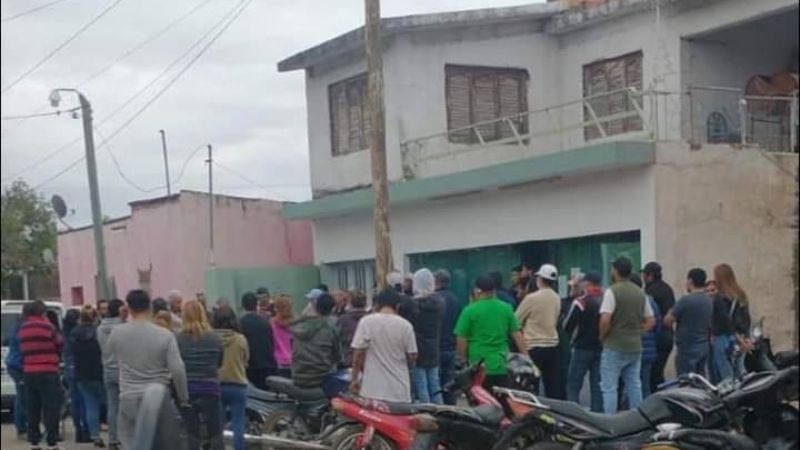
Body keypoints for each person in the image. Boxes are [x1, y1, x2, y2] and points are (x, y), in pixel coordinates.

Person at [107, 289, 189, 449]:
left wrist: (121, 319)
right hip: (157, 397)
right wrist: (183, 397)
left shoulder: (117, 333)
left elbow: (109, 356)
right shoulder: (165, 335)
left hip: (128, 396)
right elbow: (177, 369)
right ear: (150, 307)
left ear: (128, 308)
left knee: (131, 442)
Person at [599, 257, 655, 414]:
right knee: (634, 385)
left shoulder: (612, 291)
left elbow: (605, 319)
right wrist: (637, 332)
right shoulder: (640, 293)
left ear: (615, 271)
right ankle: (638, 418)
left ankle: (610, 421)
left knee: (609, 387)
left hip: (614, 345)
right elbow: (651, 321)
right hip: (635, 346)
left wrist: (602, 336)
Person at [455, 275, 528, 391]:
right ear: (494, 290)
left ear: (477, 290)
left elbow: (461, 338)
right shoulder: (506, 308)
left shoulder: (469, 311)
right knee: (503, 398)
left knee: (481, 399)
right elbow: (517, 335)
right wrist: (526, 358)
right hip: (502, 364)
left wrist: (463, 360)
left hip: (478, 365)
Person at [351, 289, 418, 402]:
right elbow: (413, 356)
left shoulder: (366, 322)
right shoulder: (406, 326)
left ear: (377, 304)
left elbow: (358, 354)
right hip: (399, 389)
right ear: (397, 306)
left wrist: (355, 379)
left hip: (372, 389)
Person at [177, 300, 224, 450]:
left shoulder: (177, 339)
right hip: (210, 388)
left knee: (192, 433)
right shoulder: (215, 338)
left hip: (187, 390)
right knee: (215, 432)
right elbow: (220, 362)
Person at [19, 300, 64, 450]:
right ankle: (52, 442)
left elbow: (22, 349)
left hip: (29, 371)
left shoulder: (23, 328)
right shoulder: (48, 326)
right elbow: (59, 343)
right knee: (51, 407)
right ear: (43, 312)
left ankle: (34, 442)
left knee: (33, 407)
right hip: (48, 371)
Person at [516, 264, 563, 399]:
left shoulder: (531, 298)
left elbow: (515, 320)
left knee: (531, 387)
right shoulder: (557, 298)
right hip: (552, 346)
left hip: (533, 346)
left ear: (540, 279)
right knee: (552, 387)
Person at [563, 270, 604, 412]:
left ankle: (573, 414)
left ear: (587, 283)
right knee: (597, 386)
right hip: (602, 347)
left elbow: (567, 325)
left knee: (573, 384)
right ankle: (598, 416)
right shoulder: (606, 299)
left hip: (582, 347)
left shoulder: (581, 301)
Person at [291, 293, 343, 396]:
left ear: (315, 306)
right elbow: (338, 357)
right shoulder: (331, 328)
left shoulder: (300, 325)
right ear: (332, 309)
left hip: (297, 376)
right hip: (321, 379)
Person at [664, 268, 713, 376]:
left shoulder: (686, 300)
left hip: (687, 347)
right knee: (700, 377)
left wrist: (670, 311)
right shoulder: (709, 300)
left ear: (690, 281)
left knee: (686, 379)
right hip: (704, 345)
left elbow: (668, 321)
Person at [213, 307, 249, 450]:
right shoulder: (241, 339)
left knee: (217, 425)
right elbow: (246, 360)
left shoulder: (211, 339)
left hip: (217, 385)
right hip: (238, 385)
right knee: (238, 424)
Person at [709, 264, 752, 383]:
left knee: (726, 374)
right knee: (740, 370)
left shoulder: (719, 298)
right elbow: (747, 318)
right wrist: (746, 338)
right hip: (741, 337)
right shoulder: (741, 294)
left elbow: (725, 321)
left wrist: (736, 337)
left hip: (724, 337)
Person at [71, 305, 106, 448]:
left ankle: (95, 435)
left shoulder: (74, 333)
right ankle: (116, 434)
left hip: (81, 373)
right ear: (95, 317)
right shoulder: (98, 333)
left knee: (90, 404)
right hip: (98, 372)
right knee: (110, 403)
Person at [409, 268, 445, 404]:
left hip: (418, 347)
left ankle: (426, 410)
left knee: (421, 384)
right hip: (434, 346)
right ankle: (440, 409)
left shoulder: (413, 305)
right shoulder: (440, 302)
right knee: (435, 383)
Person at [641, 262, 676, 394]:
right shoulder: (667, 289)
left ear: (650, 275)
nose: (643, 277)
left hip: (657, 338)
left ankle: (655, 400)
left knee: (651, 377)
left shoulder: (650, 292)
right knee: (658, 373)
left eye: (644, 274)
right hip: (668, 336)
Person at [98, 299, 125, 450]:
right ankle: (124, 438)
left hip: (108, 368)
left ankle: (113, 439)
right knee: (126, 406)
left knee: (112, 406)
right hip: (123, 369)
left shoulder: (101, 327)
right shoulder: (123, 327)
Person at [435, 269, 465, 405]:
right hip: (452, 346)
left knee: (436, 382)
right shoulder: (455, 300)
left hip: (437, 347)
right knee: (449, 383)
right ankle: (451, 408)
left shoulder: (434, 299)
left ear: (436, 282)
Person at [631, 274, 662, 399]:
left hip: (632, 348)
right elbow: (658, 326)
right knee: (645, 383)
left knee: (631, 384)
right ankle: (646, 406)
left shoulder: (629, 302)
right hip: (649, 349)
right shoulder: (651, 302)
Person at [239, 291, 277, 389]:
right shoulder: (266, 322)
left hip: (250, 367)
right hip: (267, 365)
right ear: (257, 305)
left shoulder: (240, 323)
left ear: (243, 305)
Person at [63, 308, 90, 443]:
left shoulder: (65, 333)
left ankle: (78, 429)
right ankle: (86, 430)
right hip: (82, 368)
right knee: (86, 400)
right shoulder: (81, 332)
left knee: (75, 401)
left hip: (69, 368)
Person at [5, 306, 28, 439]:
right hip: (18, 365)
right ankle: (22, 428)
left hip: (15, 364)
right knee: (22, 397)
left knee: (22, 396)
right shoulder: (23, 328)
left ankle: (23, 427)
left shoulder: (19, 325)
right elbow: (24, 348)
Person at [338, 289, 369, 368]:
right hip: (367, 361)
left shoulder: (342, 319)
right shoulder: (371, 319)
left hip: (348, 360)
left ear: (350, 303)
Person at [271, 295, 294, 378]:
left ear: (277, 308)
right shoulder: (297, 323)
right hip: (295, 362)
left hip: (278, 362)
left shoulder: (272, 323)